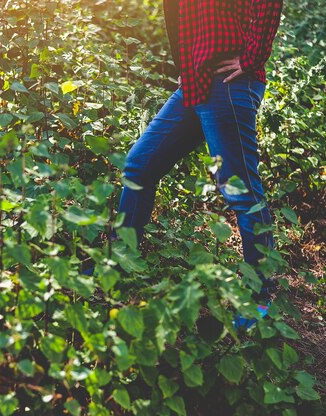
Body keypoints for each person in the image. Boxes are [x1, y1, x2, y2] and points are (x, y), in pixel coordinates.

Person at [88, 0, 283, 330]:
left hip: (228, 83)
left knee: (241, 191)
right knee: (138, 166)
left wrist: (251, 59)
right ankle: (118, 262)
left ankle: (259, 300)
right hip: (196, 82)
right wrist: (187, 66)